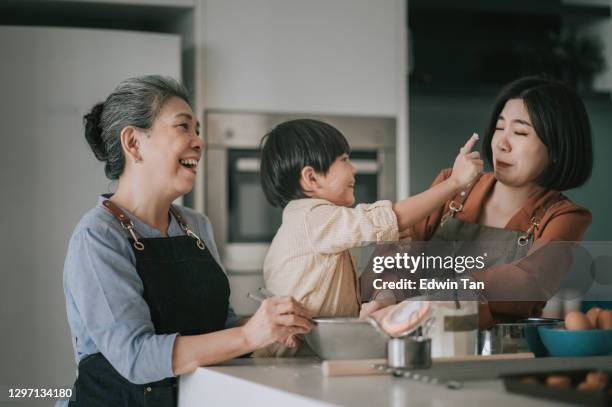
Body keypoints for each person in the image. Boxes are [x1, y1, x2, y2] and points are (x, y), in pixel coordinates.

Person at [62, 75, 313, 407]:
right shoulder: (98, 235)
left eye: (197, 130)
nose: (198, 141)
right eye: (183, 127)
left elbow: (218, 326)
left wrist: (271, 324)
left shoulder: (195, 226)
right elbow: (135, 357)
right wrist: (247, 335)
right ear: (134, 143)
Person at [364, 76, 593, 329]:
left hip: (496, 355)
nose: (501, 144)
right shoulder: (450, 184)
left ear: (557, 149)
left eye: (520, 132)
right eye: (499, 127)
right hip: (418, 340)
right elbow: (398, 259)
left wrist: (430, 303)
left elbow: (530, 282)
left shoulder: (564, 216)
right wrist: (387, 297)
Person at [254, 118, 483, 356]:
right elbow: (388, 218)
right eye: (344, 160)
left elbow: (341, 292)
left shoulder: (313, 225)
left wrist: (382, 253)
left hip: (304, 359)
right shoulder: (311, 218)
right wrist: (455, 182)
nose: (353, 169)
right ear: (311, 178)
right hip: (286, 363)